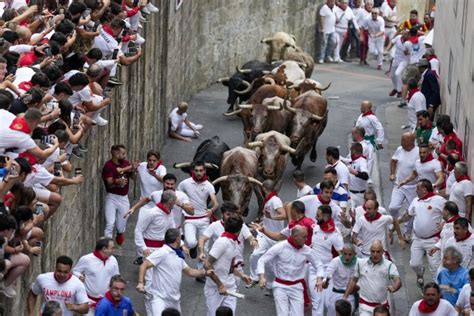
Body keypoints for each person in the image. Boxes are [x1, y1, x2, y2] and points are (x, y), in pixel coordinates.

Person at [136, 228, 209, 315]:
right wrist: (141, 282)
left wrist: (205, 273)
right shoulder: (162, 252)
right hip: (159, 298)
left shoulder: (178, 256)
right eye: (180, 238)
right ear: (177, 240)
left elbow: (189, 271)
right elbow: (144, 264)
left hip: (174, 300)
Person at [257, 225, 324, 316]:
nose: (306, 239)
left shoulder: (307, 250)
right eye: (304, 237)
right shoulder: (280, 247)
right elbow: (262, 260)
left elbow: (319, 264)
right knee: (282, 314)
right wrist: (261, 276)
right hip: (280, 286)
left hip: (297, 287)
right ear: (296, 237)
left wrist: (319, 278)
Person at [398, 179, 445, 287]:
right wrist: (397, 222)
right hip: (417, 239)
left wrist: (444, 222)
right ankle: (420, 273)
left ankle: (436, 290)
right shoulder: (415, 200)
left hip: (433, 240)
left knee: (434, 266)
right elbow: (408, 215)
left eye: (417, 188)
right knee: (414, 264)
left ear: (424, 189)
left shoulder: (439, 200)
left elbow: (449, 213)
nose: (415, 190)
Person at [203, 214, 252, 316]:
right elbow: (207, 264)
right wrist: (220, 285)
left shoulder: (233, 242)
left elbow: (229, 266)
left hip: (230, 286)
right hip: (215, 289)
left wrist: (241, 275)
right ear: (239, 230)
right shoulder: (222, 242)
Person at [198, 202, 257, 283]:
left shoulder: (240, 224)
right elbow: (202, 238)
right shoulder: (215, 226)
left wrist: (253, 241)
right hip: (221, 264)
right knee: (221, 287)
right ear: (222, 214)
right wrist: (201, 252)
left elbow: (250, 237)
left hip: (237, 264)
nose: (231, 217)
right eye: (228, 214)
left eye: (233, 214)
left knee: (234, 287)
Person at [343, 240, 401, 316]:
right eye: (373, 251)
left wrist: (394, 287)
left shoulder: (389, 265)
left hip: (381, 308)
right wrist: (345, 297)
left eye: (378, 251)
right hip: (365, 306)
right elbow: (354, 280)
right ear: (370, 251)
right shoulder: (360, 263)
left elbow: (397, 280)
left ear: (383, 251)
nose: (375, 254)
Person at [177, 161, 219, 261]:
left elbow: (216, 203)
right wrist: (184, 205)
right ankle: (194, 246)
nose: (199, 173)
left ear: (204, 171)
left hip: (204, 219)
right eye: (196, 171)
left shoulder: (209, 185)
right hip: (189, 219)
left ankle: (202, 274)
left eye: (201, 170)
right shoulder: (184, 183)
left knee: (204, 249)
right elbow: (178, 195)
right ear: (192, 171)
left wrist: (211, 210)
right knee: (190, 242)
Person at [249, 180, 286, 290]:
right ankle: (255, 277)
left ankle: (270, 286)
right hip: (264, 235)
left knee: (271, 264)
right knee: (255, 255)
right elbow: (268, 217)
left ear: (263, 189)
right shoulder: (269, 199)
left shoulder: (275, 200)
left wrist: (271, 218)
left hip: (275, 237)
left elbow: (284, 215)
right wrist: (260, 225)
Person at [309, 205, 344, 315]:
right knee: (317, 302)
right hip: (313, 270)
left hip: (327, 271)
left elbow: (341, 255)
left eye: (318, 215)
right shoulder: (315, 227)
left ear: (326, 216)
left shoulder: (335, 233)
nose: (315, 217)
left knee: (329, 303)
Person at [72, 237, 119, 315]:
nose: (114, 250)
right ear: (104, 249)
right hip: (89, 302)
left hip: (106, 302)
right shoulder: (86, 259)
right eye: (112, 248)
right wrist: (79, 275)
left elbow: (116, 278)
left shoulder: (113, 260)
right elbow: (75, 271)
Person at [101, 144, 136, 245]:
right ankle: (106, 245)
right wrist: (117, 182)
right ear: (116, 154)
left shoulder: (125, 163)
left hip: (124, 198)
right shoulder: (108, 166)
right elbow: (109, 183)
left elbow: (133, 178)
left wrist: (133, 170)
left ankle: (120, 233)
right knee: (110, 224)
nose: (125, 156)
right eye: (123, 153)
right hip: (111, 197)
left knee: (120, 226)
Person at [388, 133, 418, 239]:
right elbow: (393, 161)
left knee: (412, 211)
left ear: (411, 142)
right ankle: (395, 223)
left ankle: (407, 232)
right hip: (399, 184)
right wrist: (392, 173)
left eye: (403, 141)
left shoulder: (418, 152)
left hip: (412, 186)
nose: (401, 143)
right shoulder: (400, 149)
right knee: (393, 207)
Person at [134, 190, 176, 260]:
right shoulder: (152, 213)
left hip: (163, 250)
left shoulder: (170, 213)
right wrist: (144, 248)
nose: (175, 203)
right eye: (174, 201)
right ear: (170, 202)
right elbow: (138, 230)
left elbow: (172, 230)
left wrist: (181, 244)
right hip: (150, 250)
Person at [324, 244, 358, 316]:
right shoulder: (335, 261)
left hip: (350, 295)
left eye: (350, 254)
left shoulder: (359, 263)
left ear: (354, 254)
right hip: (336, 294)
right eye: (345, 254)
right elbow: (327, 275)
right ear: (342, 252)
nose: (347, 257)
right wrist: (325, 282)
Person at [346, 142, 369, 210]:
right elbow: (346, 160)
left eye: (351, 151)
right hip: (351, 194)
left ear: (354, 151)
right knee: (351, 215)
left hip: (360, 195)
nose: (350, 153)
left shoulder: (362, 161)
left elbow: (365, 176)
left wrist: (354, 172)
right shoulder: (354, 161)